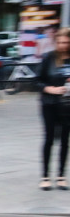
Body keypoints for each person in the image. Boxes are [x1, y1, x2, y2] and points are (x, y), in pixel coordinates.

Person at [36, 26, 70, 190]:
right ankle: (45, 176)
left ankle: (61, 176)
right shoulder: (48, 57)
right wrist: (51, 89)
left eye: (67, 42)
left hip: (68, 105)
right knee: (49, 138)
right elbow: (37, 81)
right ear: (56, 42)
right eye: (61, 42)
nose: (64, 45)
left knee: (65, 140)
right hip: (49, 104)